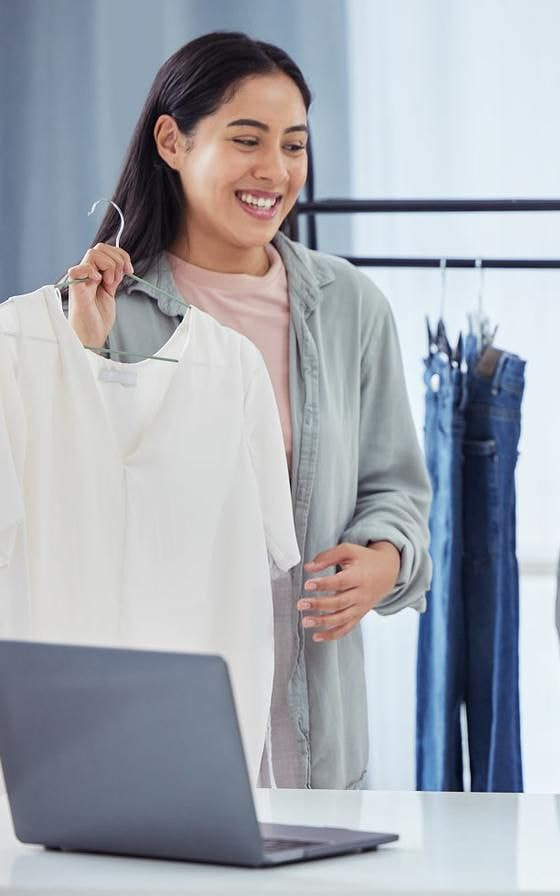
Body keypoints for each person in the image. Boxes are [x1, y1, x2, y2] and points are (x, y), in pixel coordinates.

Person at [62, 31, 431, 790]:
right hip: (159, 731)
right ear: (172, 141)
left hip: (318, 740)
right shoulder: (107, 312)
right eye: (247, 140)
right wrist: (79, 357)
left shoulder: (349, 305)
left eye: (294, 146)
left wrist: (384, 559)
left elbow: (397, 488)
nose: (276, 171)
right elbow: (65, 516)